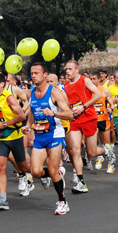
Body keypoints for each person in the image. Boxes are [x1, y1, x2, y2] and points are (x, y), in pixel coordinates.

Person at [23, 63, 73, 215]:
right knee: (36, 171)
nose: (33, 75)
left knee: (52, 169)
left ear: (45, 75)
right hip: (39, 135)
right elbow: (32, 110)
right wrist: (28, 125)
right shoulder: (30, 93)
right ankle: (58, 174)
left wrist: (54, 114)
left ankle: (62, 201)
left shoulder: (54, 93)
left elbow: (69, 114)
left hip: (54, 134)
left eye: (36, 73)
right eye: (31, 73)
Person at [64, 60, 113, 194]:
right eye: (66, 69)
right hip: (74, 120)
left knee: (91, 152)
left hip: (89, 117)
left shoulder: (84, 80)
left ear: (76, 70)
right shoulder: (66, 85)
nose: (67, 71)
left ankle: (107, 151)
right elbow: (67, 102)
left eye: (70, 69)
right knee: (75, 150)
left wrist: (84, 106)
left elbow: (97, 95)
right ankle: (81, 181)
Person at [0, 73, 28, 210]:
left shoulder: (9, 98)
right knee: (0, 167)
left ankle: (44, 175)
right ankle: (3, 199)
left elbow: (21, 116)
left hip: (14, 137)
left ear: (2, 84)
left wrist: (4, 125)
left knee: (24, 167)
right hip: (1, 138)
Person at [89, 73, 116, 171]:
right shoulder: (88, 91)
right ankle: (99, 156)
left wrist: (111, 108)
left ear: (99, 79)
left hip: (104, 119)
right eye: (90, 79)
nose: (92, 81)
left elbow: (112, 105)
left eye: (94, 78)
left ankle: (111, 163)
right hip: (93, 120)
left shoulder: (104, 91)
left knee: (106, 143)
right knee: (93, 141)